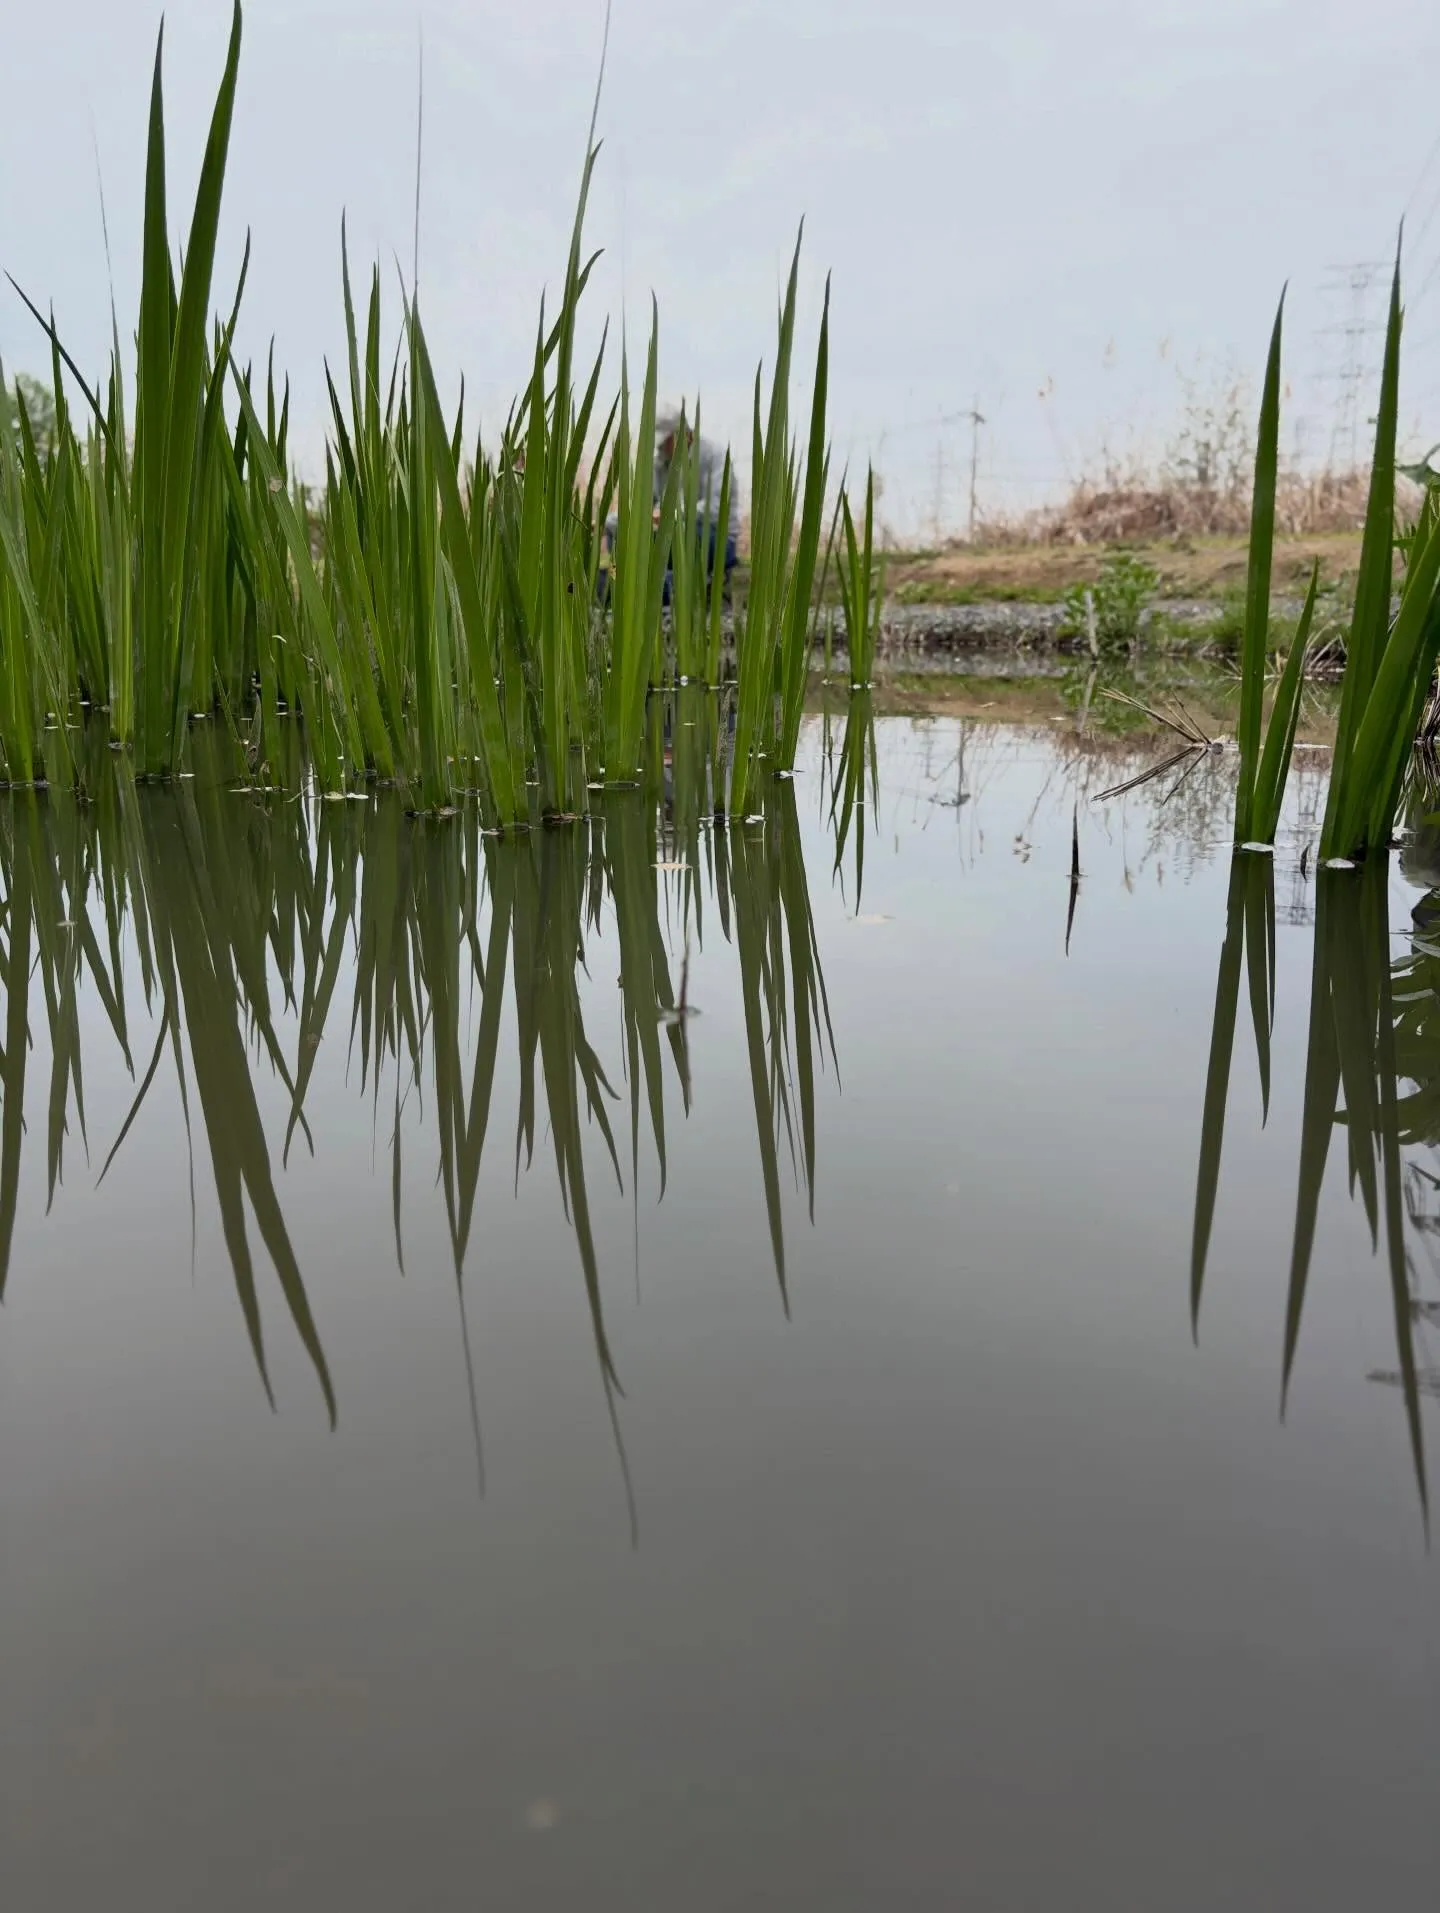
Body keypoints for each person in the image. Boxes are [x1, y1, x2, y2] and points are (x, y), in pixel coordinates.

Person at [653, 409, 739, 589]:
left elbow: (716, 507)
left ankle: (679, 587)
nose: (661, 448)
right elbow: (646, 505)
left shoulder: (714, 455)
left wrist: (671, 514)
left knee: (679, 536)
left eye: (665, 442)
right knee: (619, 538)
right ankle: (617, 580)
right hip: (670, 533)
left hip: (713, 536)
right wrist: (605, 524)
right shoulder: (660, 463)